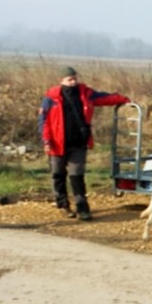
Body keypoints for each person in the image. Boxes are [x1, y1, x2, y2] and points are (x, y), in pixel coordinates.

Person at [38, 66, 130, 221]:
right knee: (58, 175)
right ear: (61, 81)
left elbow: (104, 98)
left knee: (77, 176)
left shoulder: (85, 93)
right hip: (57, 143)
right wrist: (46, 140)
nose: (73, 82)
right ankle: (63, 204)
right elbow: (44, 121)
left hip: (79, 142)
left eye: (75, 78)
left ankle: (82, 207)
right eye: (69, 79)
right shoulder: (51, 98)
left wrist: (124, 100)